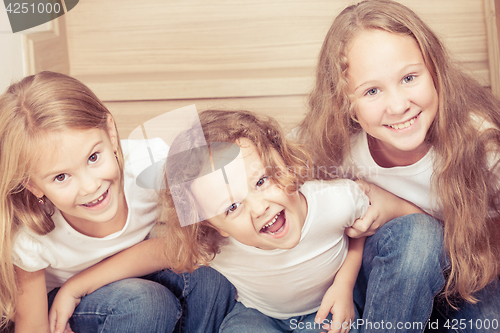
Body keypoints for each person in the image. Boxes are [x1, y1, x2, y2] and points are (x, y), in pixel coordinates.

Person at [48, 109, 425, 333]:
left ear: (283, 163)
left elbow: (394, 228)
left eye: (262, 181)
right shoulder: (216, 244)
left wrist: (344, 284)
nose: (259, 206)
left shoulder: (333, 199)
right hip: (259, 317)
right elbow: (149, 255)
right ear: (210, 225)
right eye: (231, 208)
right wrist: (73, 288)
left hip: (328, 307)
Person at [296, 0, 500, 331]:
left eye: (408, 78)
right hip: (385, 280)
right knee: (417, 241)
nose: (398, 105)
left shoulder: (480, 143)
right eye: (372, 90)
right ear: (347, 105)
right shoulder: (339, 149)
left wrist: (398, 207)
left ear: (435, 71)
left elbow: (490, 250)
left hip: (467, 279)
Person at [0, 71, 235, 333]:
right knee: (144, 302)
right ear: (31, 185)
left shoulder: (148, 167)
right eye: (61, 177)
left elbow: (195, 242)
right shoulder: (31, 234)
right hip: (70, 310)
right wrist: (68, 294)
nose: (90, 186)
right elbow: (32, 327)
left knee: (210, 279)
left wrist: (76, 286)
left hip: (123, 278)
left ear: (110, 133)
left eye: (93, 158)